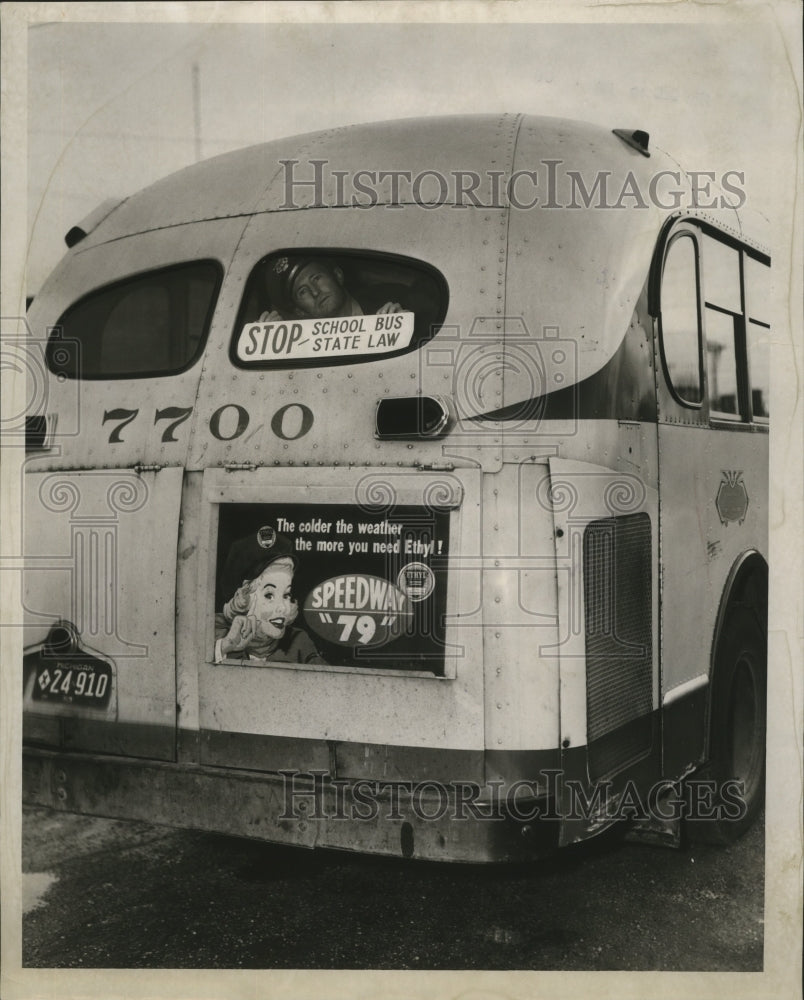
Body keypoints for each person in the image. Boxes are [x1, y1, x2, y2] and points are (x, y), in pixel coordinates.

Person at [215, 525, 326, 665]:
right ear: (243, 600)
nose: (283, 608)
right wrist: (226, 646)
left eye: (286, 595)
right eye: (269, 595)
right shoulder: (215, 633)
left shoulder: (298, 642)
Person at [260, 256, 404, 322]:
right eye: (302, 292)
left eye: (316, 278)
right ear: (300, 311)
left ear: (338, 275)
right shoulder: (306, 351)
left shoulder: (393, 295)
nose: (315, 292)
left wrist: (407, 323)